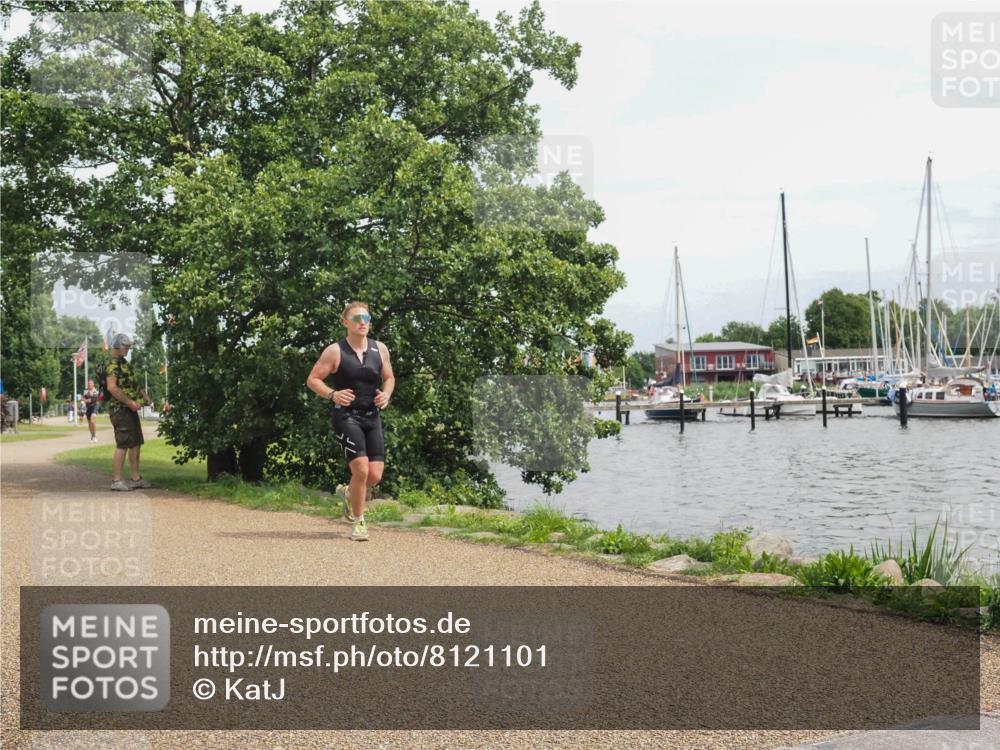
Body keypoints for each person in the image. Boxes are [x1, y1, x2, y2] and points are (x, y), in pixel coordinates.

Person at [306, 302, 395, 542]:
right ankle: (359, 522)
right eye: (356, 318)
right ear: (345, 322)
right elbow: (313, 379)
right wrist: (332, 394)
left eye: (366, 317)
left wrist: (386, 393)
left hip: (371, 417)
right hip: (346, 417)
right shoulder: (335, 351)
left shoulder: (380, 349)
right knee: (361, 470)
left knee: (374, 476)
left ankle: (349, 492)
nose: (362, 322)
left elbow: (389, 378)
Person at [106, 333, 153, 491]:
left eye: (129, 346)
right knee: (123, 443)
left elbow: (134, 384)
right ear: (117, 346)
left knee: (136, 442)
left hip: (130, 409)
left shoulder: (124, 362)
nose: (128, 349)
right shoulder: (112, 364)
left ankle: (135, 478)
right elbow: (112, 387)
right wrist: (130, 402)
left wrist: (145, 397)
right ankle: (117, 480)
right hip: (120, 409)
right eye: (126, 346)